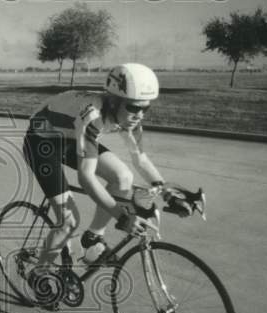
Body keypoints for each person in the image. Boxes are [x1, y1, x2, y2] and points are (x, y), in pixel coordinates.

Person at [21, 62, 193, 295]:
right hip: (41, 142)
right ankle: (38, 273)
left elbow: (140, 159)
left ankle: (92, 238)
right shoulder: (94, 116)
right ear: (114, 101)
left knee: (123, 177)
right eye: (134, 108)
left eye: (146, 109)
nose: (139, 115)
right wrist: (122, 216)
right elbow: (87, 179)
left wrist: (168, 193)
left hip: (70, 137)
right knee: (69, 222)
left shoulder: (127, 117)